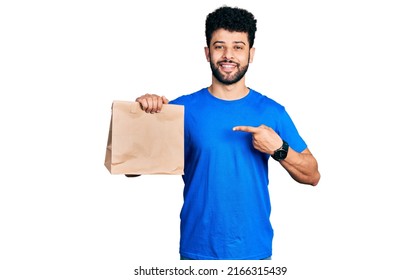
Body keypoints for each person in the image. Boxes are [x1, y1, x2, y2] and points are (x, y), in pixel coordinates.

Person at [135, 5, 320, 260]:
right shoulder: (180, 109)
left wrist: (279, 149)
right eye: (219, 46)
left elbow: (312, 175)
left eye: (238, 47)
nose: (228, 55)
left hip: (254, 253)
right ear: (207, 52)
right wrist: (143, 116)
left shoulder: (272, 111)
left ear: (251, 54)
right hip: (198, 252)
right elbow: (133, 168)